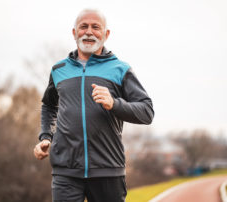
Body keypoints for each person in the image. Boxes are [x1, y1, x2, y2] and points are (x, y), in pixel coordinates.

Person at [33, 8, 154, 202]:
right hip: (65, 171)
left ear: (106, 34)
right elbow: (48, 106)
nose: (89, 32)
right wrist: (46, 136)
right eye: (83, 27)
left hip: (108, 170)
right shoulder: (58, 70)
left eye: (95, 27)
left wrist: (114, 104)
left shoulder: (120, 69)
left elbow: (147, 111)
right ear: (74, 33)